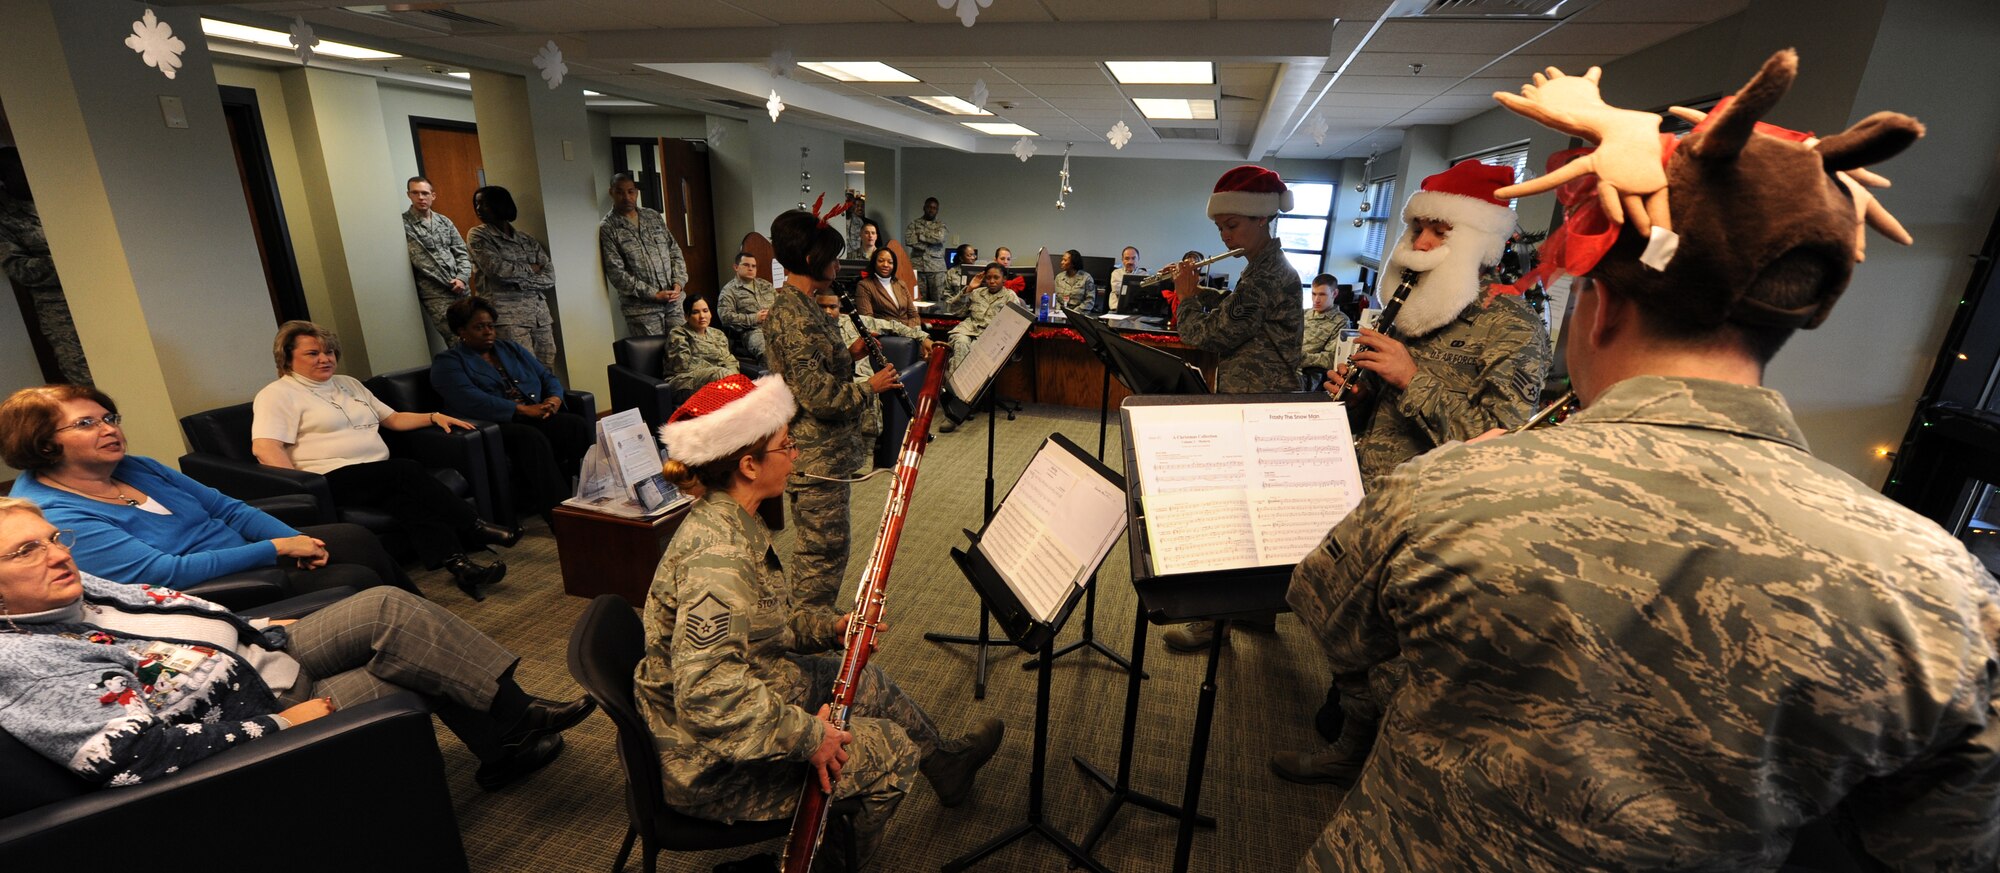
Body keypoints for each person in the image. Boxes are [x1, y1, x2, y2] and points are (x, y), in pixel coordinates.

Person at [1284, 52, 2000, 871]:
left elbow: (1329, 621)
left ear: (1603, 308)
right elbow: (1944, 845)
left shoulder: (1443, 490)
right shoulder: (1945, 590)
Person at [637, 375, 1001, 866]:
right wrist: (810, 736)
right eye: (786, 445)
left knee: (866, 681)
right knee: (892, 752)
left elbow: (764, 624)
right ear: (748, 465)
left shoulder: (732, 517)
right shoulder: (718, 560)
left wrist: (832, 629)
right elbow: (708, 697)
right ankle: (829, 863)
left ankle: (948, 767)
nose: (796, 455)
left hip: (751, 689)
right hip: (713, 766)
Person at [0, 498, 596, 792]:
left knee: (387, 605)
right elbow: (134, 756)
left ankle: (512, 720)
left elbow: (173, 612)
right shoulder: (28, 659)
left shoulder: (75, 587)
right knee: (413, 665)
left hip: (260, 653)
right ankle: (510, 734)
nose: (57, 554)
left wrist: (257, 631)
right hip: (262, 708)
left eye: (53, 538)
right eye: (26, 550)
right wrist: (282, 725)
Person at [2, 384, 412, 598]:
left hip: (244, 554)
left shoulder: (137, 466)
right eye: (86, 424)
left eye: (109, 418)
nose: (109, 429)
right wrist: (276, 549)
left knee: (354, 537)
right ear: (43, 443)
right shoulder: (55, 512)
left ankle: (428, 632)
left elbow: (228, 508)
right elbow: (164, 574)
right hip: (206, 590)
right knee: (355, 577)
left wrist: (294, 540)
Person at [251, 321, 516, 601]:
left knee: (407, 501)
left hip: (375, 474)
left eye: (329, 352)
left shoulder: (348, 383)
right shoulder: (277, 394)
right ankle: (474, 525)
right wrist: (302, 489)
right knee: (405, 469)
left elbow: (393, 419)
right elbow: (265, 448)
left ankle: (461, 567)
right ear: (287, 358)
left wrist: (434, 416)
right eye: (313, 353)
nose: (324, 359)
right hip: (329, 478)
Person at [1329, 160, 1551, 490]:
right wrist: (1358, 400)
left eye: (1440, 232)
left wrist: (1411, 379)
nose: (1420, 244)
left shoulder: (1513, 325)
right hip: (1371, 493)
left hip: (1433, 508)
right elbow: (1382, 418)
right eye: (1418, 229)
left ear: (1478, 242)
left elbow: (1502, 446)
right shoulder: (1412, 305)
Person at [1162, 166, 1308, 653]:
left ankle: (1215, 621)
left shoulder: (1268, 275)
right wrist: (1203, 293)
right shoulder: (1262, 269)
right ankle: (1255, 611)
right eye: (1219, 227)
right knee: (1256, 515)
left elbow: (1207, 334)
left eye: (1233, 225)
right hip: (1257, 402)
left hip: (1257, 408)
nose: (1224, 236)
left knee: (1236, 517)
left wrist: (1186, 299)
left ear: (1263, 219)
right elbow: (1239, 313)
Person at [762, 208, 901, 611]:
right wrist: (870, 387)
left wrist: (849, 354)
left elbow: (815, 366)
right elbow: (818, 397)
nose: (838, 266)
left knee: (831, 545)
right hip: (813, 453)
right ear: (811, 260)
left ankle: (817, 616)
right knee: (821, 550)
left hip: (827, 451)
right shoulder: (793, 316)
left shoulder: (804, 305)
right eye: (833, 258)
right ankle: (810, 624)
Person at [429, 297, 593, 522]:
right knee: (531, 438)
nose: (488, 332)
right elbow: (471, 400)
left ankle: (589, 496)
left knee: (575, 425)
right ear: (461, 331)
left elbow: (546, 376)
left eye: (490, 326)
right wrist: (522, 410)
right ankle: (563, 517)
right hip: (493, 425)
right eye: (479, 327)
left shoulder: (510, 349)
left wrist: (554, 398)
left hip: (532, 414)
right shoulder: (448, 362)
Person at [0, 147, 91, 385]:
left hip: (100, 293)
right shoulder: (5, 215)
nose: (26, 176)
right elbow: (18, 268)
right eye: (17, 172)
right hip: (60, 309)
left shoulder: (63, 194)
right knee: (85, 381)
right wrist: (69, 262)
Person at [818, 290, 932, 456]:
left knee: (869, 390)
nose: (827, 311)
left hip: (860, 380)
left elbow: (893, 326)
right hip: (830, 383)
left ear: (839, 307)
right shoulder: (809, 330)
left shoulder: (852, 322)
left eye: (832, 306)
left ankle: (868, 451)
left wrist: (923, 338)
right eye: (822, 306)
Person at [466, 185, 560, 368]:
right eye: (476, 204)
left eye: (484, 204)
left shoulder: (526, 239)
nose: (478, 209)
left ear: (500, 205)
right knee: (523, 369)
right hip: (508, 317)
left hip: (539, 316)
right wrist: (531, 268)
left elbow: (549, 276)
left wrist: (518, 281)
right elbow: (498, 271)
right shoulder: (478, 235)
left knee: (547, 366)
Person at [599, 172, 688, 337]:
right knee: (652, 353)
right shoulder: (608, 227)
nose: (627, 197)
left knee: (682, 348)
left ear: (637, 192)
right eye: (620, 192)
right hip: (642, 310)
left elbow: (674, 251)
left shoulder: (652, 216)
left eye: (630, 191)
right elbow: (617, 273)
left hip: (674, 302)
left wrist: (679, 282)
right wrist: (654, 294)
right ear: (611, 193)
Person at [402, 175, 473, 346]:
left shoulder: (444, 221)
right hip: (436, 293)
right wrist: (450, 282)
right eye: (415, 193)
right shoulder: (404, 224)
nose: (420, 197)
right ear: (409, 195)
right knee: (456, 340)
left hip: (461, 289)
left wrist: (462, 278)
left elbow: (462, 252)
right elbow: (421, 260)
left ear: (433, 195)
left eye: (425, 193)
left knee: (474, 333)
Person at [665, 296, 740, 396]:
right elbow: (682, 366)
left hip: (717, 378)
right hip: (683, 381)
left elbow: (729, 360)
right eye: (695, 312)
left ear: (710, 313)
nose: (702, 316)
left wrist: (733, 376)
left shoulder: (718, 334)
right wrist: (717, 365)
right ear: (686, 316)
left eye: (705, 311)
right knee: (720, 374)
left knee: (733, 380)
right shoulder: (678, 333)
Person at [717, 250, 776, 365]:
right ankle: (769, 376)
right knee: (768, 354)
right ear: (736, 267)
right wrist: (754, 318)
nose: (751, 269)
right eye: (746, 265)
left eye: (754, 266)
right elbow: (726, 318)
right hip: (752, 332)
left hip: (775, 327)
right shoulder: (729, 291)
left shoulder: (766, 285)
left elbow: (781, 305)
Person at [856, 246, 921, 329]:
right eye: (881, 261)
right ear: (874, 263)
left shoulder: (900, 284)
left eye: (890, 262)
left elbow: (914, 315)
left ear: (894, 265)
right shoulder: (864, 285)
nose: (885, 265)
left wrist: (910, 330)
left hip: (909, 331)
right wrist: (901, 331)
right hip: (886, 333)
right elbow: (868, 320)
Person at [1301, 273, 1350, 375]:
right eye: (1314, 294)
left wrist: (1301, 358)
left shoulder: (1341, 321)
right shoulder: (1303, 313)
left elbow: (1332, 358)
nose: (1316, 300)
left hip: (1306, 373)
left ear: (1334, 294)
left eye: (1322, 295)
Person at [904, 197, 949, 305]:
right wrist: (930, 243)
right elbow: (909, 240)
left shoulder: (941, 225)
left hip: (936, 269)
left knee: (938, 300)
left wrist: (921, 236)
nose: (931, 210)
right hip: (918, 267)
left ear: (937, 210)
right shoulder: (914, 224)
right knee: (918, 300)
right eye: (929, 207)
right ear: (924, 207)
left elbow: (940, 238)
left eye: (934, 208)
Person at [936, 244, 977, 317]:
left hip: (975, 309)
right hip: (956, 309)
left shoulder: (980, 272)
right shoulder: (951, 272)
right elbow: (946, 294)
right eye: (970, 255)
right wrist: (953, 304)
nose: (973, 257)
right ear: (961, 258)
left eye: (974, 255)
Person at [1052, 249, 1097, 314]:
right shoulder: (1059, 277)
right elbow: (1054, 298)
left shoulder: (1086, 278)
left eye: (1065, 260)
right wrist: (1059, 311)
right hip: (1060, 313)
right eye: (1062, 260)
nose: (1062, 262)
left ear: (1073, 263)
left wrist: (1073, 313)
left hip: (1079, 314)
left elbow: (1090, 301)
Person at [1107, 245, 1146, 312]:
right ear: (1122, 260)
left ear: (1138, 259)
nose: (1130, 262)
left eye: (1133, 258)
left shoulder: (1144, 275)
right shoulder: (1116, 273)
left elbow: (1145, 294)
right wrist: (1137, 289)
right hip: (1117, 309)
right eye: (1127, 258)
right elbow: (1119, 291)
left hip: (1137, 310)